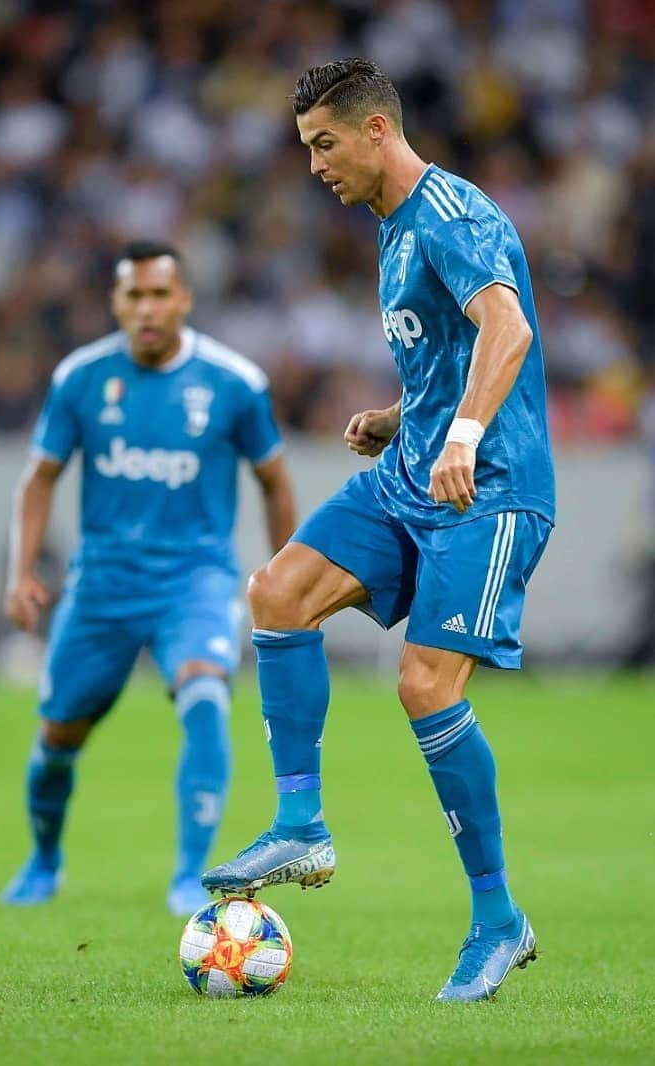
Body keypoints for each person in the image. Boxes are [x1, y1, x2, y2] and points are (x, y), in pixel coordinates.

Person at [201, 59, 555, 1002]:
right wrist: (403, 420)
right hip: (411, 474)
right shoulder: (393, 229)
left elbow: (506, 331)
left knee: (424, 688)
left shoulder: (451, 212)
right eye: (306, 146)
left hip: (491, 491)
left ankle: (497, 919)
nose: (314, 166)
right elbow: (448, 352)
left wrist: (468, 436)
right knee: (277, 592)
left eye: (323, 144)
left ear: (373, 132)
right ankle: (302, 824)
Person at [1, 240, 296, 916]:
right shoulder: (81, 377)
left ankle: (192, 874)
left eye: (161, 294)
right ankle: (44, 860)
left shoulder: (234, 383)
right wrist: (22, 572)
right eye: (134, 296)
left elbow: (275, 481)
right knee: (57, 739)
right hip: (101, 586)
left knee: (205, 697)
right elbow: (38, 478)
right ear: (116, 302)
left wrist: (286, 580)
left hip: (194, 582)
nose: (148, 309)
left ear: (185, 299)